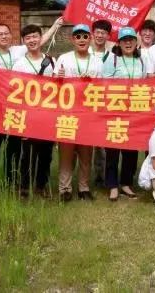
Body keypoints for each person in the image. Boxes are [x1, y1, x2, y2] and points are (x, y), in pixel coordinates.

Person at [54, 24, 104, 202]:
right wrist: (58, 78)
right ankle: (65, 189)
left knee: (86, 153)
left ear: (90, 39)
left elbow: (103, 87)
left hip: (88, 114)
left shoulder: (98, 61)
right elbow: (54, 85)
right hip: (68, 112)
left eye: (85, 36)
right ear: (72, 39)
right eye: (78, 37)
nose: (81, 40)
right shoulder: (64, 58)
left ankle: (84, 188)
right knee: (66, 154)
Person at [9, 23, 57, 198]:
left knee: (46, 153)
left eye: (35, 36)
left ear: (40, 38)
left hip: (47, 114)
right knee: (28, 153)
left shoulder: (52, 61)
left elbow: (58, 87)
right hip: (28, 115)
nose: (32, 40)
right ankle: (24, 186)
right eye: (28, 38)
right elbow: (15, 92)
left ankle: (41, 185)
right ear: (23, 41)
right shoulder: (19, 64)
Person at [101, 27, 146, 201]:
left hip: (135, 112)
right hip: (115, 111)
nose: (128, 43)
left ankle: (126, 183)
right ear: (119, 43)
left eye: (131, 39)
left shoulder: (141, 60)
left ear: (136, 42)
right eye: (124, 40)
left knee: (131, 150)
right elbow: (104, 86)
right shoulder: (112, 59)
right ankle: (112, 185)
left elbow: (145, 85)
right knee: (113, 150)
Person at [89, 19, 113, 187]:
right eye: (97, 32)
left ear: (108, 36)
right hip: (85, 102)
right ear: (92, 34)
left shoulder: (112, 56)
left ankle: (101, 175)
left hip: (105, 102)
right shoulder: (84, 52)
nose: (99, 35)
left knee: (102, 141)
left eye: (103, 33)